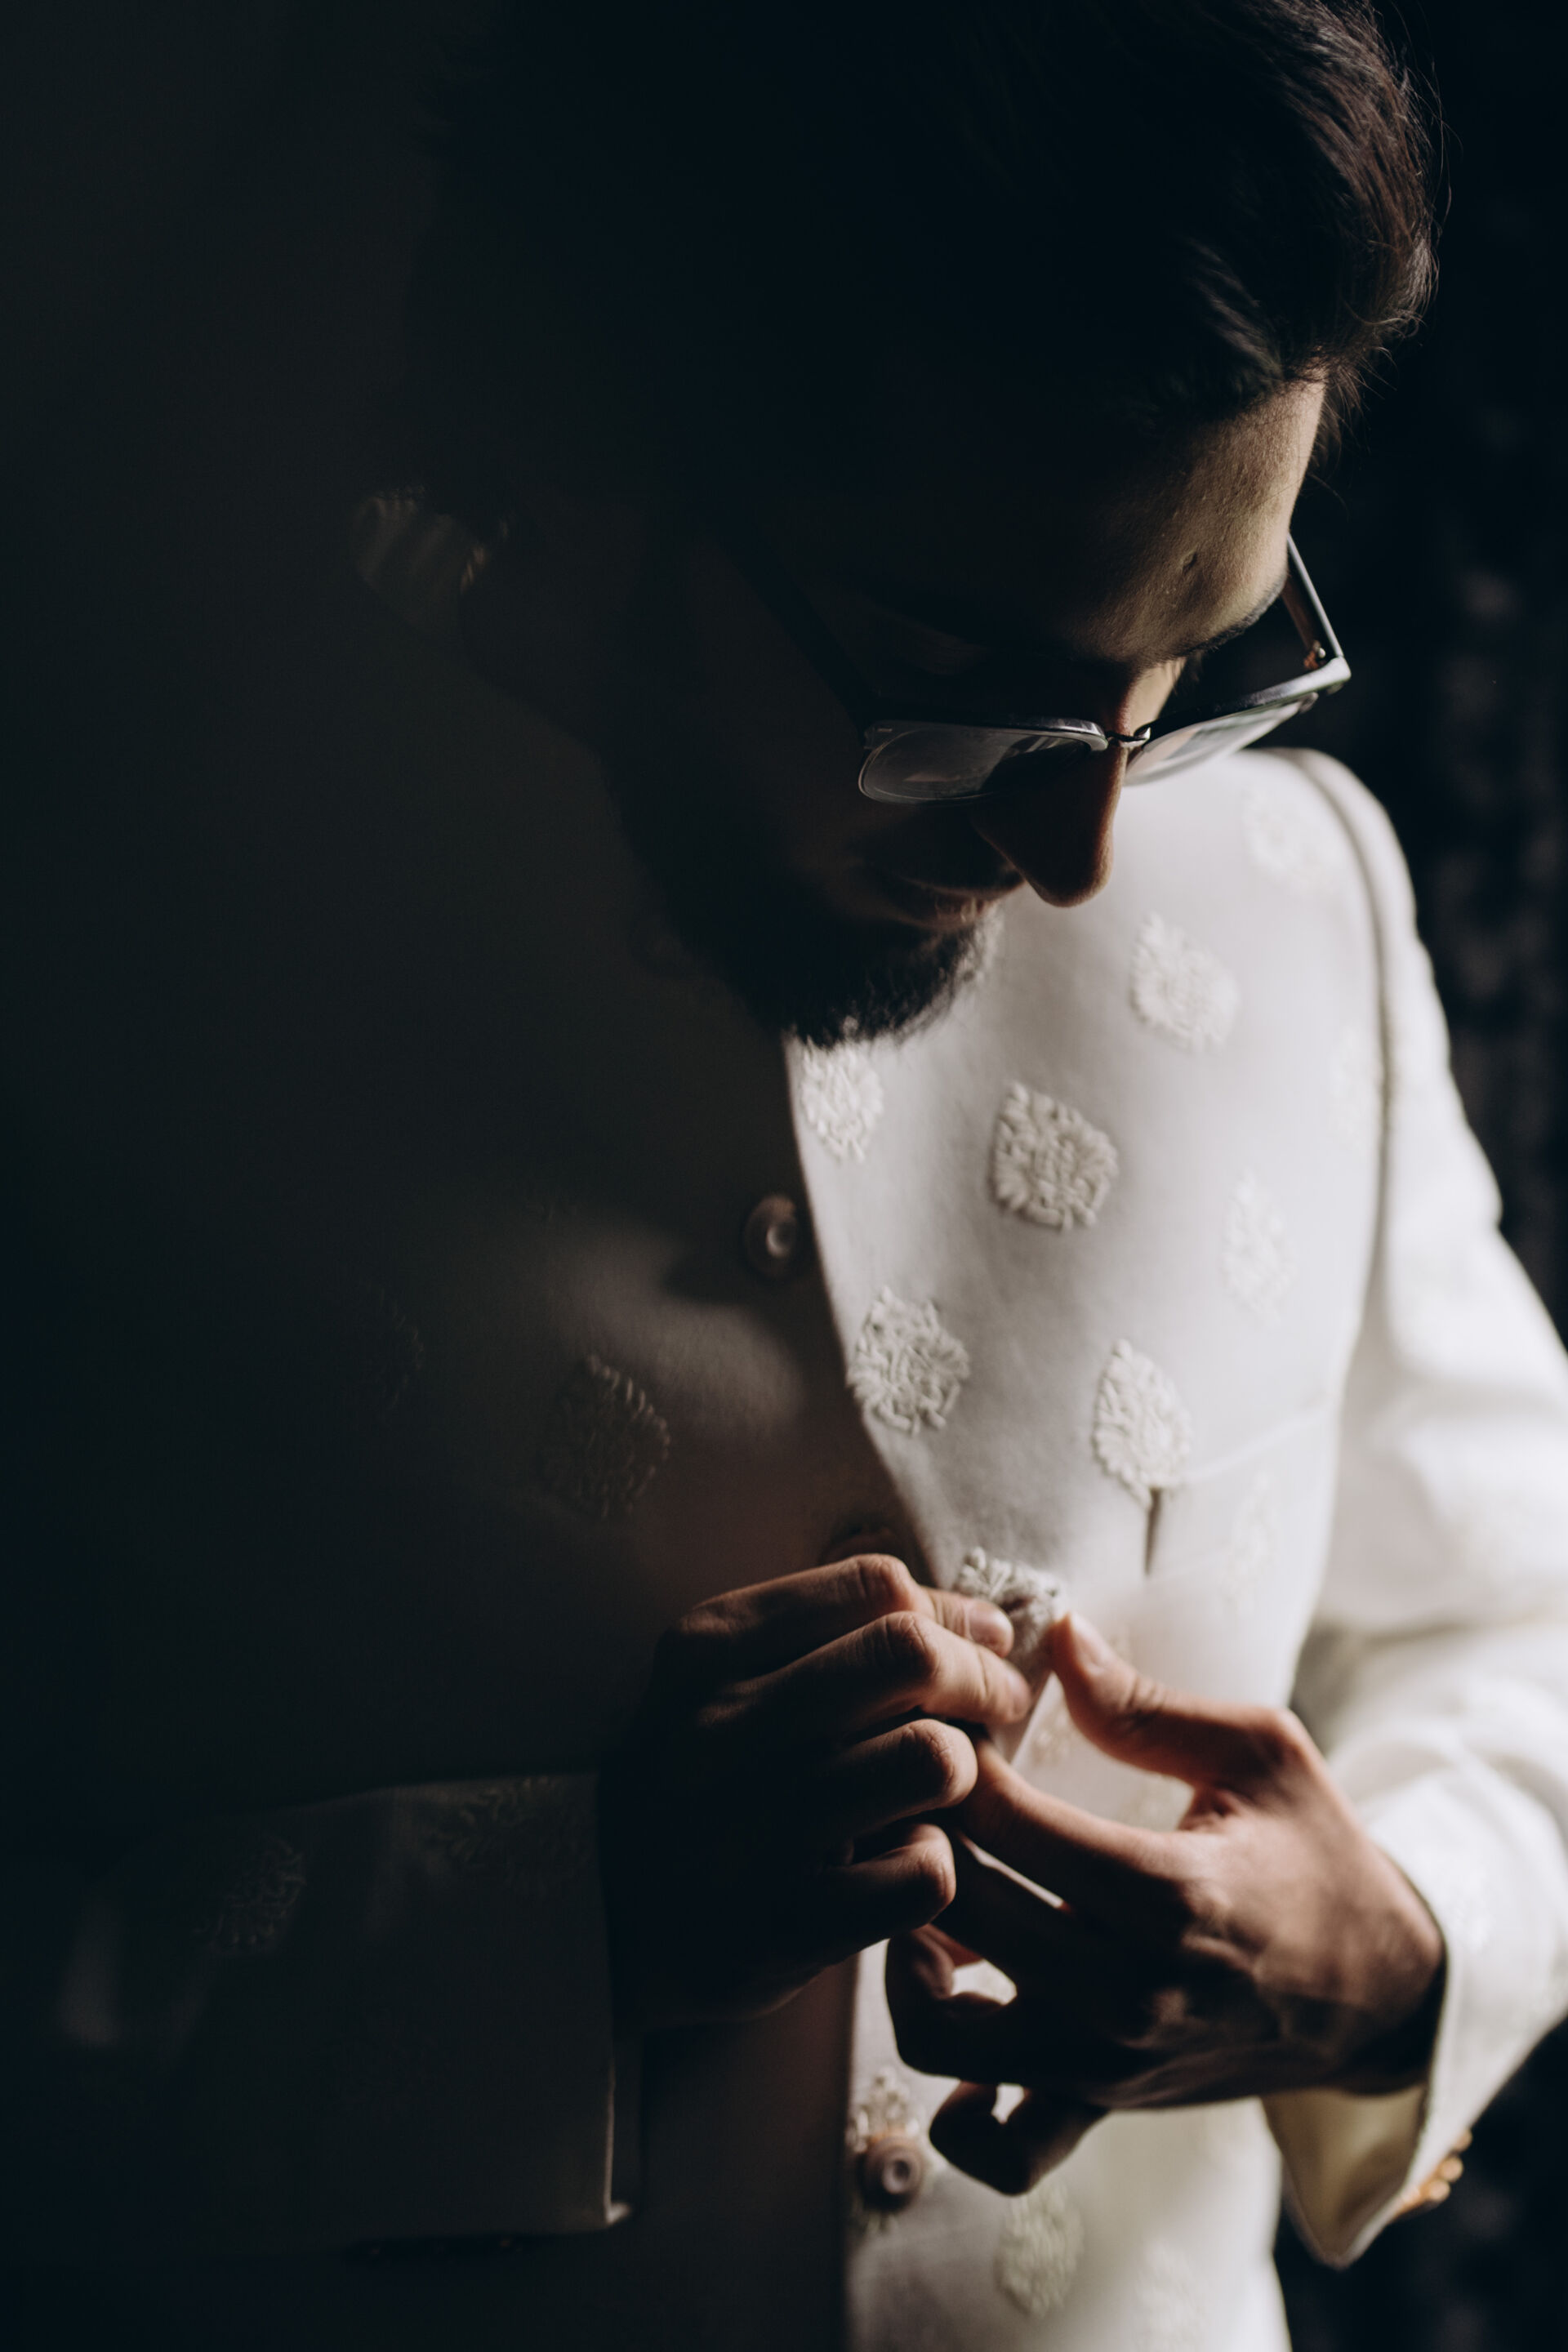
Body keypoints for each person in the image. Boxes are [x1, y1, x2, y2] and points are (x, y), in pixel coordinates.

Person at [4, 2, 1568, 2348]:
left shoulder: (1300, 889)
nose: (1083, 849)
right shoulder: (89, 949)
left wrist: (1404, 1940)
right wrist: (560, 1933)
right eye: (970, 684)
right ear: (594, 457)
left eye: (1195, 661)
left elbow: (1521, 1616)